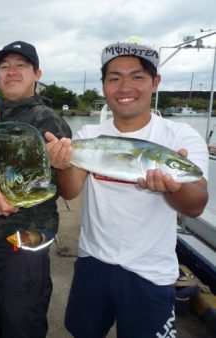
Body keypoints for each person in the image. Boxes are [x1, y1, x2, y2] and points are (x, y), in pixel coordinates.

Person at [45, 36, 209, 337]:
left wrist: (172, 186)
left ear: (154, 82)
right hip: (93, 262)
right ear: (104, 84)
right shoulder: (90, 134)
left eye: (137, 77)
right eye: (114, 78)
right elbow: (70, 191)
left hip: (151, 272)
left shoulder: (180, 137)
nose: (125, 88)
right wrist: (63, 163)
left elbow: (196, 203)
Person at [0, 41, 72, 338]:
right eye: (4, 66)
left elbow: (51, 185)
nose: (11, 71)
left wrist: (13, 200)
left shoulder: (48, 121)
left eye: (20, 65)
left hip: (23, 242)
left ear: (37, 74)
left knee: (21, 324)